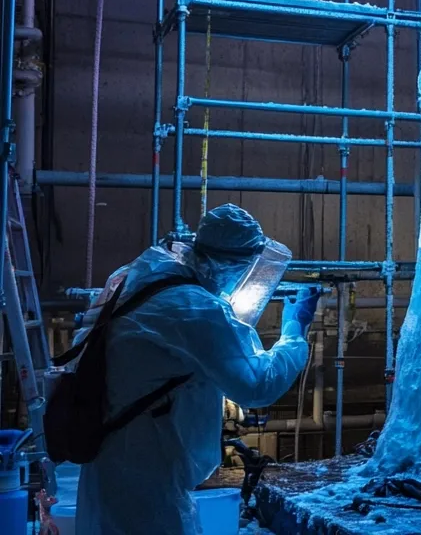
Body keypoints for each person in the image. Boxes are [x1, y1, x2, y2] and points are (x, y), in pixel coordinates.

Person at [77, 204, 316, 535]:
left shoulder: (145, 279)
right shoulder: (194, 308)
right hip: (146, 477)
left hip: (115, 458)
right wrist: (294, 333)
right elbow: (257, 385)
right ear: (235, 266)